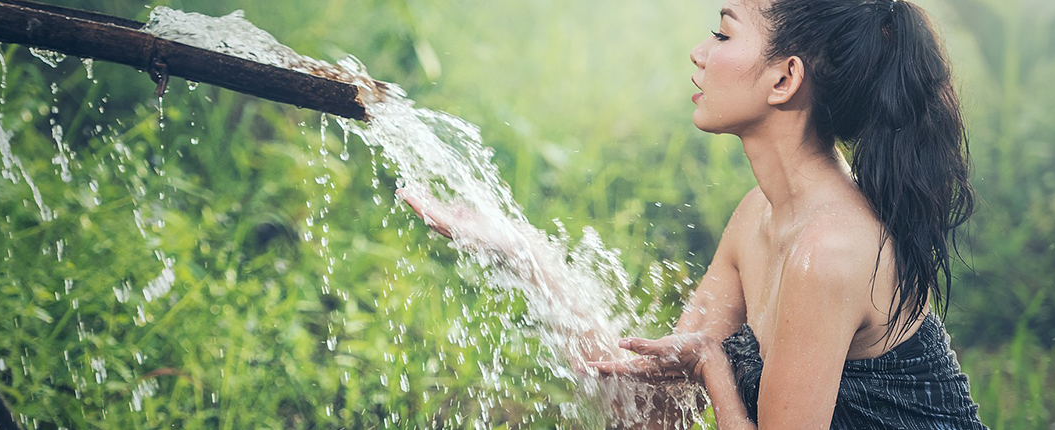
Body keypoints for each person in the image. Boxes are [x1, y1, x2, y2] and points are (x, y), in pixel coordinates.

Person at [402, 0, 987, 427]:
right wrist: (526, 254)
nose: (699, 52)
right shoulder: (758, 216)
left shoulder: (828, 251)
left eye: (723, 33)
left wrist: (712, 364)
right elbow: (645, 408)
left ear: (785, 78)